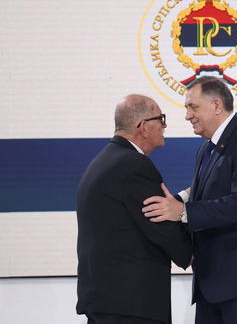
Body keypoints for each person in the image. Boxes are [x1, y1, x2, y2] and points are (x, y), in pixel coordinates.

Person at [142, 76, 237, 324]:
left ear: (216, 105)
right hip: (212, 282)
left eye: (193, 107)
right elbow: (211, 188)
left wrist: (182, 211)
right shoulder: (207, 146)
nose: (187, 116)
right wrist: (177, 200)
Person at [76, 94, 192, 324]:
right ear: (143, 127)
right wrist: (191, 254)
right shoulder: (134, 165)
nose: (164, 126)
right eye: (161, 119)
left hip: (107, 299)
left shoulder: (107, 160)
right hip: (130, 305)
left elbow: (139, 211)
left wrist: (187, 196)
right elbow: (158, 222)